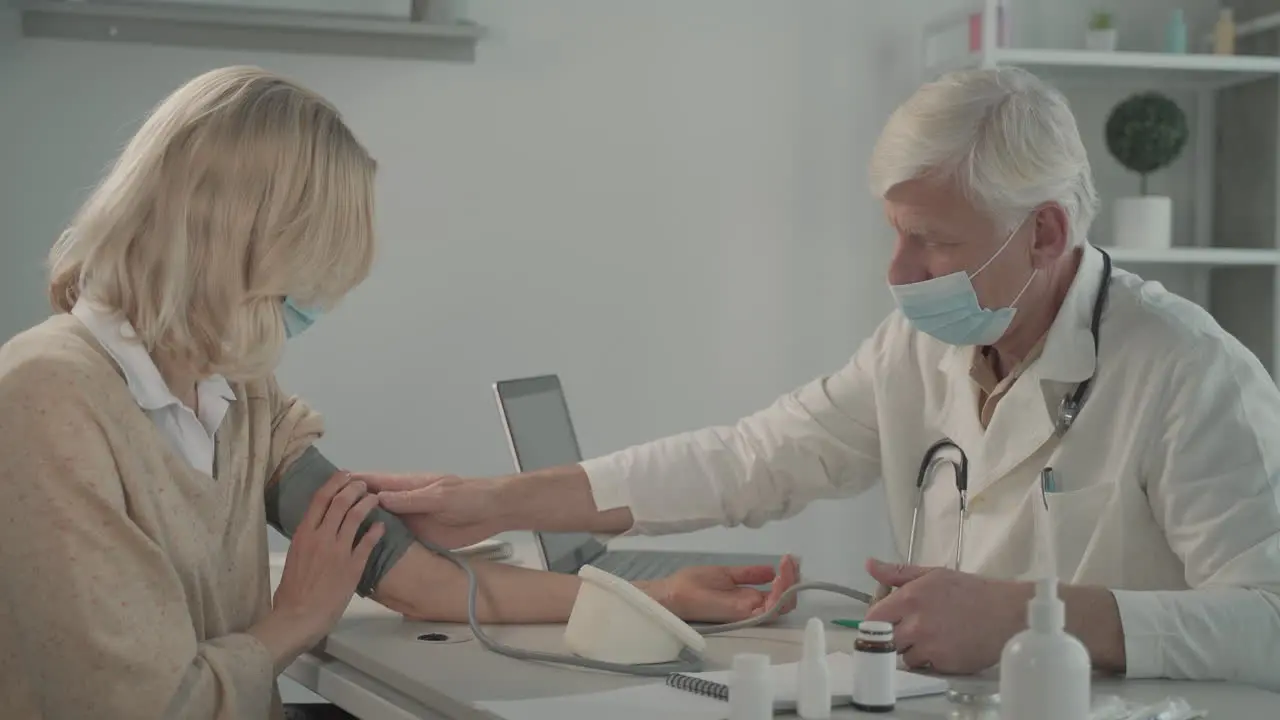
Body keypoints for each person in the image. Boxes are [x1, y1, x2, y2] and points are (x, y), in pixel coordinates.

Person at [365, 66, 1280, 690]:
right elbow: (749, 459)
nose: (898, 271)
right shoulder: (917, 348)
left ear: (1043, 234)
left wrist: (1031, 619)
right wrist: (496, 502)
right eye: (894, 231)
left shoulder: (1187, 371)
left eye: (935, 241)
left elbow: (1269, 621)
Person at [0, 66, 800, 720]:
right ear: (231, 246)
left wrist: (656, 596)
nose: (312, 308)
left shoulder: (235, 393)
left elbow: (417, 577)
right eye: (303, 281)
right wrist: (294, 619)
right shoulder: (50, 401)